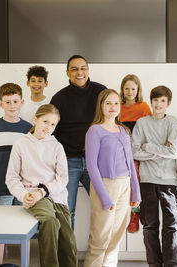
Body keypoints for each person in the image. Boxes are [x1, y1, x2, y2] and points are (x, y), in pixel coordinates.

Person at [5, 104, 77, 267]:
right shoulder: (21, 144)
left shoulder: (57, 146)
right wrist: (25, 196)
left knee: (68, 242)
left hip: (56, 196)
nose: (48, 127)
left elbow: (62, 178)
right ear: (35, 119)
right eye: (45, 122)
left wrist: (43, 191)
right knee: (50, 222)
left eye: (53, 124)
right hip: (34, 197)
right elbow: (12, 178)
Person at [84, 89, 141, 267]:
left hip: (125, 186)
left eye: (116, 103)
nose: (112, 107)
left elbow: (131, 163)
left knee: (116, 236)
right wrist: (104, 197)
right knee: (100, 237)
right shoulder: (95, 131)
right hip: (105, 186)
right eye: (108, 103)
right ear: (101, 105)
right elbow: (91, 166)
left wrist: (135, 192)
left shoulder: (124, 131)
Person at [131, 85, 177, 267]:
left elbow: (173, 152)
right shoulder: (142, 123)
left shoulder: (173, 122)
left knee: (171, 225)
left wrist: (148, 146)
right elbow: (134, 152)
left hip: (169, 181)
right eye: (155, 100)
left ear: (168, 103)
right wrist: (161, 150)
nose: (158, 104)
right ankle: (154, 264)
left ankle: (171, 264)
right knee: (150, 226)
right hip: (147, 180)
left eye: (163, 101)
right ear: (151, 101)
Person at [50, 55, 106, 228]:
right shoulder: (59, 98)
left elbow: (109, 123)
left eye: (83, 68)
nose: (79, 72)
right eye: (74, 69)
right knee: (67, 210)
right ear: (67, 73)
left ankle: (98, 254)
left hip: (95, 161)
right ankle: (68, 255)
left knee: (103, 207)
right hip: (68, 162)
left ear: (88, 70)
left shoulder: (101, 92)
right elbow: (53, 134)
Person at [0, 83, 32, 266]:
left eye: (15, 101)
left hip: (24, 188)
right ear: (0, 104)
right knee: (0, 228)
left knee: (23, 226)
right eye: (7, 102)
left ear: (22, 102)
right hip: (0, 187)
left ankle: (24, 263)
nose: (12, 106)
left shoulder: (29, 128)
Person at [119, 74, 152, 233]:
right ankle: (123, 215)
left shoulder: (144, 107)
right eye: (127, 88)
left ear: (138, 90)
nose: (130, 91)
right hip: (121, 152)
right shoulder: (118, 106)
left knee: (137, 182)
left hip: (138, 153)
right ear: (122, 90)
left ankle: (135, 216)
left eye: (133, 88)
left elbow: (150, 131)